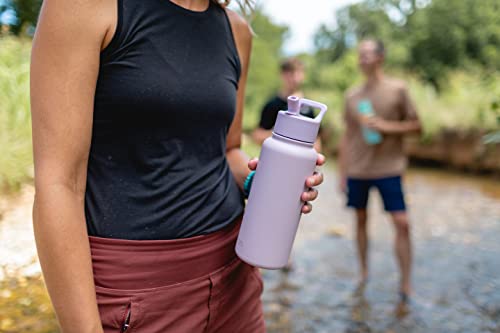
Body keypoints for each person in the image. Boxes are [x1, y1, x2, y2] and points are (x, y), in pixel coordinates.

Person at [30, 0, 325, 332]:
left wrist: (262, 180)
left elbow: (227, 151)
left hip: (234, 278)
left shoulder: (235, 29)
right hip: (134, 288)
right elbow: (59, 183)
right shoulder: (85, 6)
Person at [338, 39, 421, 304]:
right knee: (360, 220)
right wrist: (342, 172)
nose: (362, 58)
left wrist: (386, 126)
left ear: (381, 57)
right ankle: (363, 273)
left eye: (367, 54)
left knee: (402, 223)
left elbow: (418, 127)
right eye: (359, 54)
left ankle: (405, 283)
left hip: (389, 168)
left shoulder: (398, 89)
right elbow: (348, 136)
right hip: (359, 170)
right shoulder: (351, 95)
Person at [252, 57, 322, 151]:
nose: (294, 77)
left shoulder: (309, 107)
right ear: (282, 75)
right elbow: (257, 136)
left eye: (298, 72)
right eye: (290, 73)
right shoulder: (272, 105)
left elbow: (317, 142)